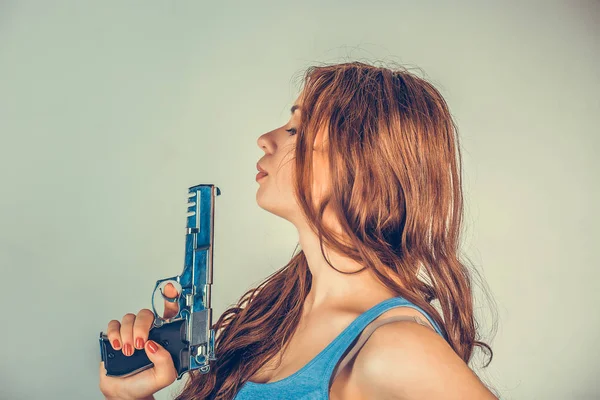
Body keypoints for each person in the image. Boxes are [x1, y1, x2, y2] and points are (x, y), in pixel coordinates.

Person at [99, 61, 499, 400]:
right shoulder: (271, 317)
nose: (265, 139)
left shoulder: (396, 346)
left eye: (297, 131)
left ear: (363, 172)